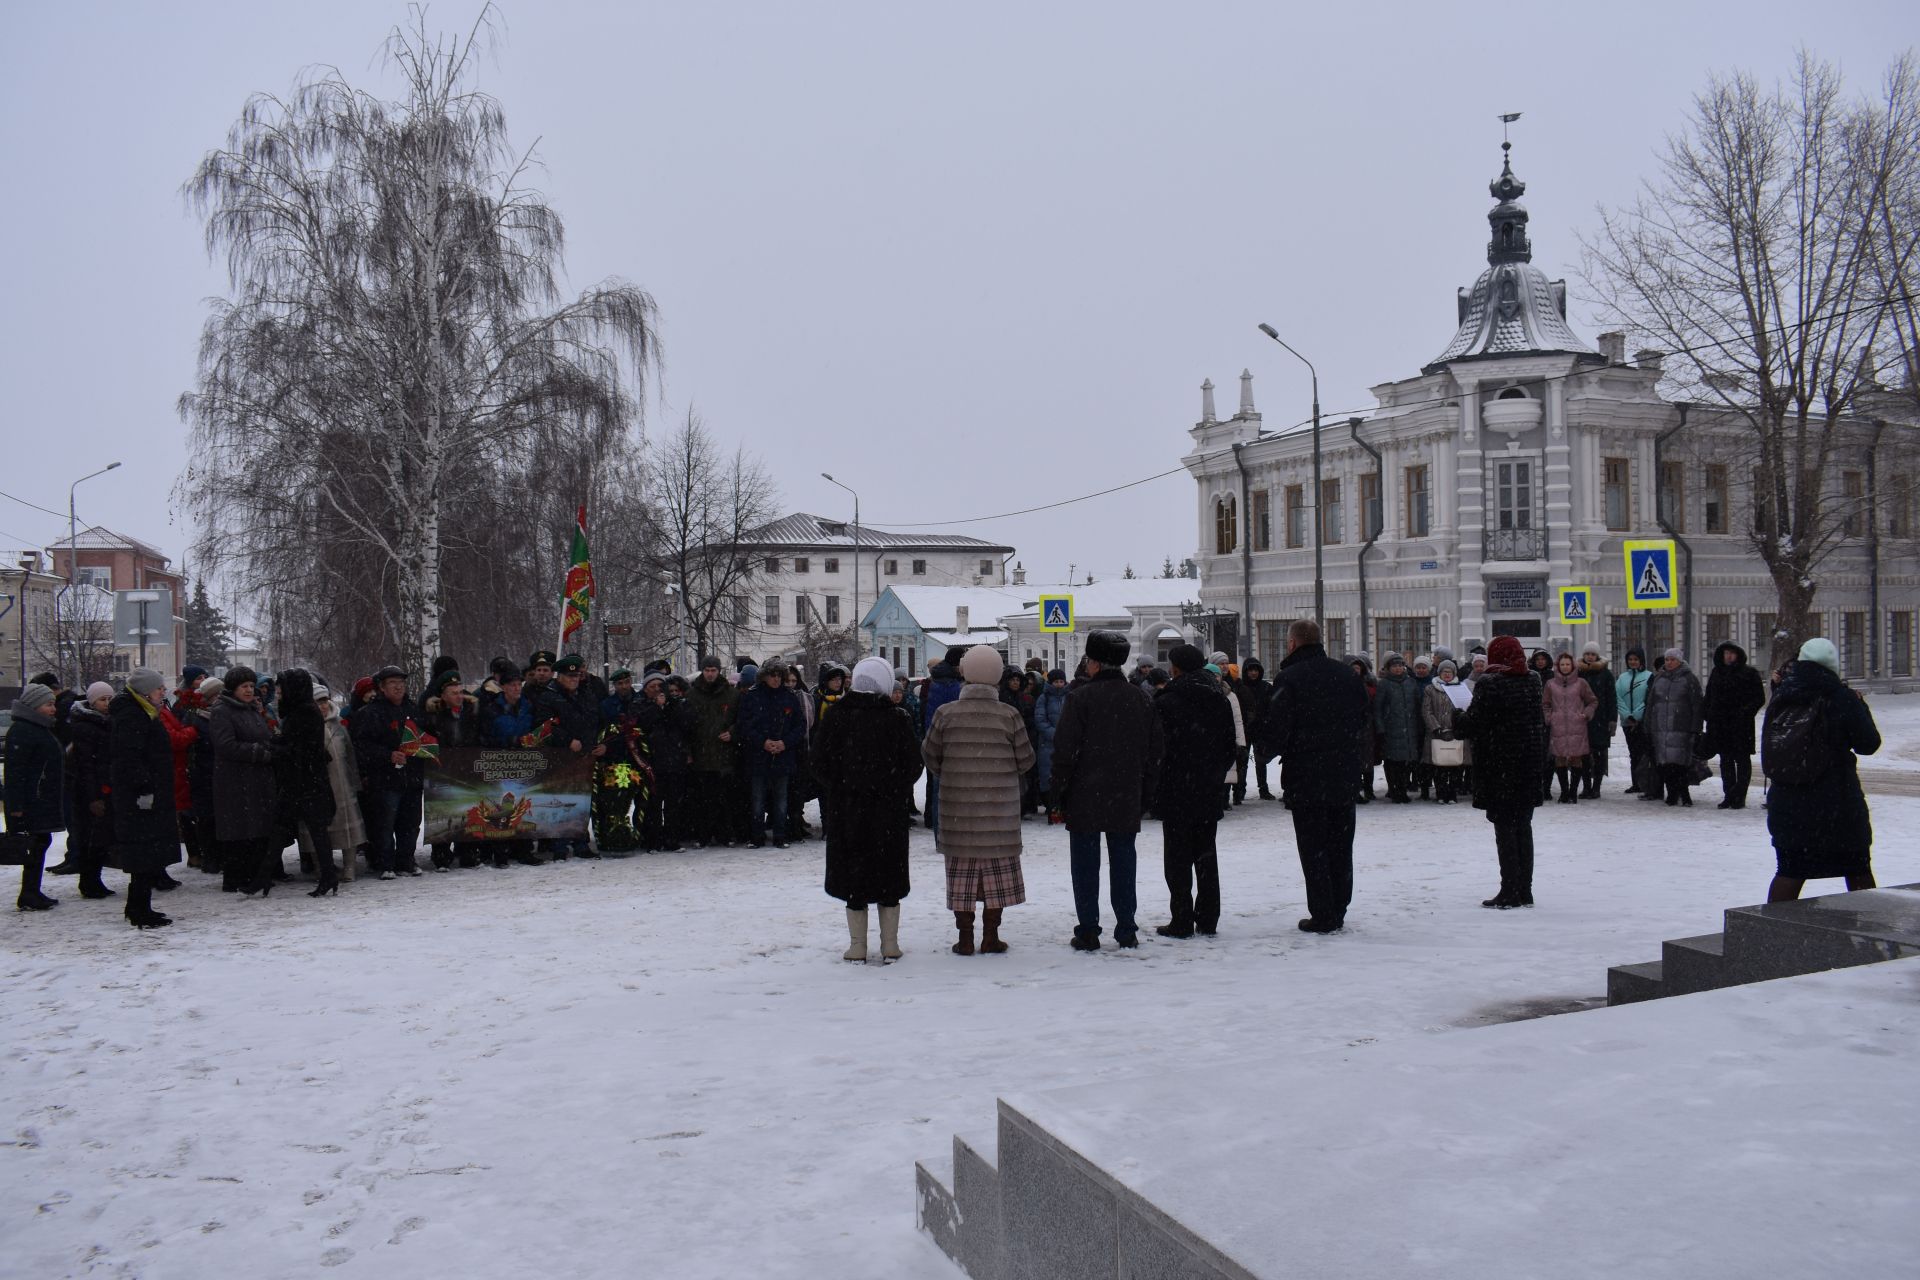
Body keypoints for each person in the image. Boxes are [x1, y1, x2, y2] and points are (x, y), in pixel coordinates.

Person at [1050, 630, 1164, 951]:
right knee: (1124, 861)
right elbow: (1155, 751)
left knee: (1085, 864)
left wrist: (1057, 793)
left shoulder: (1079, 698)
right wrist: (1146, 792)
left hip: (1084, 794)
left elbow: (1064, 751)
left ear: (1095, 663)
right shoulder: (1141, 698)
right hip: (1126, 792)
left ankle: (1088, 930)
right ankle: (1126, 928)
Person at [923, 644, 1034, 955]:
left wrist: (956, 774)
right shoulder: (1009, 715)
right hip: (999, 813)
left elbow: (931, 755)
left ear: (964, 674)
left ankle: (965, 938)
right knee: (996, 877)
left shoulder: (946, 714)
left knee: (962, 877)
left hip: (959, 812)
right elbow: (1026, 759)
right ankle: (991, 936)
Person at [1257, 621, 1368, 933]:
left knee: (1314, 848)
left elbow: (1277, 726)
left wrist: (1266, 750)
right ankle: (1339, 907)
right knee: (1341, 846)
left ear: (1292, 644)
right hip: (1344, 773)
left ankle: (1322, 912)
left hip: (1306, 776)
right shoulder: (1346, 674)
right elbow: (1362, 716)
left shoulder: (1289, 678)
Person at [812, 656, 924, 963]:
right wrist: (893, 785)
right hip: (888, 811)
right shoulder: (896, 718)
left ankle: (857, 945)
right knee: (889, 876)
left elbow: (819, 762)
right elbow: (914, 764)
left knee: (853, 878)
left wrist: (841, 785)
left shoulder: (836, 716)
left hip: (847, 811)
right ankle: (890, 944)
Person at [1762, 638, 1880, 902]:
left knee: (1790, 871)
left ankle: (1772, 933)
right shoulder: (1841, 696)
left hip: (1788, 803)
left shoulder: (1782, 694)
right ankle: (1871, 933)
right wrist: (1859, 704)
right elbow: (1868, 744)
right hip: (1836, 803)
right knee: (1857, 870)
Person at [1151, 645, 1237, 938]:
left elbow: (1157, 750)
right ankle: (1209, 916)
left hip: (1176, 789)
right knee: (1206, 855)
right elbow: (1229, 747)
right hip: (1207, 788)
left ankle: (1182, 919)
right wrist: (1213, 774)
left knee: (1176, 859)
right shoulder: (1218, 698)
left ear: (1175, 668)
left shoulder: (1167, 701)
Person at [1456, 637, 1549, 909]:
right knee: (1523, 827)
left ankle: (1508, 889)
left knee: (1505, 830)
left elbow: (1474, 723)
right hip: (1528, 766)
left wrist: (1457, 716)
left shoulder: (1490, 682)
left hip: (1499, 768)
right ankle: (1525, 889)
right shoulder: (1533, 680)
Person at [110, 669, 185, 927]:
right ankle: (139, 909)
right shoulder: (133, 716)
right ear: (145, 691)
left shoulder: (142, 712)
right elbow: (130, 758)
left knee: (147, 852)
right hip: (141, 799)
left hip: (148, 794)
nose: (163, 692)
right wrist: (144, 789)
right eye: (159, 688)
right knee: (143, 853)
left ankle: (138, 906)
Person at [209, 665, 282, 895]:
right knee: (238, 831)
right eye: (244, 686)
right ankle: (237, 878)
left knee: (257, 829)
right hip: (235, 781)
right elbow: (225, 745)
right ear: (233, 688)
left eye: (252, 686)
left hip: (256, 779)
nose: (250, 690)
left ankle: (255, 876)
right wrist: (260, 752)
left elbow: (263, 736)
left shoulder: (251, 709)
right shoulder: (222, 710)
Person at [351, 664, 428, 878]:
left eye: (401, 683)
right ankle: (384, 863)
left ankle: (406, 860)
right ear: (381, 688)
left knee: (410, 823)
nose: (398, 687)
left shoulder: (413, 710)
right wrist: (387, 755)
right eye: (392, 683)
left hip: (411, 777)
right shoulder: (370, 713)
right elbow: (361, 746)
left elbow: (424, 737)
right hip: (384, 779)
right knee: (384, 823)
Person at [272, 669, 338, 891]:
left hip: (304, 782)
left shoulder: (303, 713)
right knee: (303, 832)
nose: (278, 692)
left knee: (296, 831)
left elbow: (299, 750)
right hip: (306, 781)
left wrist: (276, 746)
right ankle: (328, 877)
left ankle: (328, 877)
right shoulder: (301, 711)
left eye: (282, 687)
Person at [4, 682, 65, 912]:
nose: (53, 709)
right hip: (32, 800)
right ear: (34, 705)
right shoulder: (23, 731)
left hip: (40, 798)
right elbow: (15, 772)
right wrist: (16, 806)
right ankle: (29, 893)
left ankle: (31, 890)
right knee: (34, 844)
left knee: (40, 842)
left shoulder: (38, 728)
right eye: (49, 704)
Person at [477, 664, 542, 867]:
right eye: (512, 685)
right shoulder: (491, 709)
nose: (516, 688)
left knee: (523, 806)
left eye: (518, 684)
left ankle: (524, 849)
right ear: (503, 687)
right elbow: (485, 737)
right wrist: (508, 743)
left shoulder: (528, 706)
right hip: (501, 764)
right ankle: (500, 851)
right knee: (501, 807)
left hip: (525, 764)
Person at [736, 662, 806, 849]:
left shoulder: (789, 697)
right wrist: (763, 742)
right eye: (772, 675)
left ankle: (780, 836)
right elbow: (745, 726)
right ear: (765, 676)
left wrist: (784, 743)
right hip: (759, 756)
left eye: (779, 675)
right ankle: (757, 836)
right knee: (757, 798)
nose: (776, 679)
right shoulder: (752, 696)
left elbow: (800, 726)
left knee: (781, 799)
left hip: (782, 756)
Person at [420, 669, 481, 868]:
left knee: (467, 809)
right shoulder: (434, 716)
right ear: (443, 696)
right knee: (444, 810)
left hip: (466, 769)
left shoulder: (471, 713)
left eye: (460, 692)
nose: (459, 697)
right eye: (454, 693)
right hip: (442, 771)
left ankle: (466, 850)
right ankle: (441, 853)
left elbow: (479, 736)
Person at [63, 682, 118, 899]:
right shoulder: (85, 726)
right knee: (91, 838)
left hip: (102, 785)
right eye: (102, 700)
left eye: (109, 699)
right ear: (92, 702)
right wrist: (93, 796)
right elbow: (85, 765)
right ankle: (89, 881)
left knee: (99, 838)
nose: (107, 704)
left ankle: (93, 879)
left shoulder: (106, 723)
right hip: (90, 790)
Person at [1703, 640, 1766, 809]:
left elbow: (1758, 698)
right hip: (1721, 725)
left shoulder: (1749, 673)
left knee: (1742, 760)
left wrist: (1744, 712)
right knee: (1726, 761)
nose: (1728, 656)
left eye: (1732, 653)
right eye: (1726, 653)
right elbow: (1709, 696)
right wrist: (1707, 714)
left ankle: (1739, 796)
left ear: (1738, 655)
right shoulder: (1717, 672)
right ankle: (1729, 794)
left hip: (1741, 726)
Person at [312, 685, 366, 885]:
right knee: (318, 828)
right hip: (318, 785)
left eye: (325, 701)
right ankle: (321, 866)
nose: (323, 706)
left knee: (347, 826)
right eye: (318, 702)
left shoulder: (339, 727)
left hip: (341, 784)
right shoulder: (306, 726)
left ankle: (349, 865)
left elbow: (350, 757)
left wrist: (355, 782)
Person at [685, 656, 739, 849]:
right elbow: (687, 726)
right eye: (707, 670)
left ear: (719, 671)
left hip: (724, 755)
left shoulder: (731, 694)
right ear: (702, 671)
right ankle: (703, 835)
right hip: (701, 755)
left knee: (724, 799)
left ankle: (726, 834)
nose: (710, 674)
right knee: (703, 799)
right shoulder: (692, 695)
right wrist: (689, 751)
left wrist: (732, 733)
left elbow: (740, 720)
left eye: (713, 670)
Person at [1645, 648, 1705, 806]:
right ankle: (1671, 793)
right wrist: (1648, 726)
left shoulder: (1689, 679)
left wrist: (1696, 728)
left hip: (1681, 728)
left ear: (1679, 661)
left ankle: (1684, 794)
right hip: (1661, 729)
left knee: (1680, 765)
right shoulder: (1659, 679)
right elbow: (1651, 704)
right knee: (1665, 764)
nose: (1669, 663)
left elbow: (1696, 705)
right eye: (1667, 660)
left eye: (1673, 659)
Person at [1542, 652, 1597, 804]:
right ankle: (1564, 792)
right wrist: (1549, 717)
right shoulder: (1550, 684)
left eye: (1567, 664)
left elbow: (1592, 701)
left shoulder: (1581, 683)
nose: (1565, 667)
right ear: (1557, 666)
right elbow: (1545, 703)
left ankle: (1573, 791)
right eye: (1562, 664)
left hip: (1577, 725)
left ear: (1572, 665)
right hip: (1558, 725)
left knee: (1576, 758)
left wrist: (1585, 714)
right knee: (1559, 758)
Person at [920, 648, 966, 829]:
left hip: (937, 738)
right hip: (946, 741)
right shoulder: (950, 684)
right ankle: (938, 825)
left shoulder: (940, 680)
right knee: (940, 786)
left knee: (936, 784)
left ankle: (934, 822)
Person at [184, 677, 223, 875]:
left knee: (218, 817)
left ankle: (218, 856)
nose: (219, 698)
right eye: (215, 695)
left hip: (217, 773)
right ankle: (210, 857)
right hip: (203, 774)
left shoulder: (221, 715)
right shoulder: (196, 718)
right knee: (206, 818)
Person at [1373, 653, 1423, 804]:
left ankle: (1402, 789)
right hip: (1391, 728)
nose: (1398, 668)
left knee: (1406, 762)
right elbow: (1378, 708)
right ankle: (1395, 790)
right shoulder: (1384, 684)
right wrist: (1380, 727)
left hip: (1409, 728)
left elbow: (1417, 705)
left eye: (1400, 665)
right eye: (1394, 666)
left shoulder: (1411, 683)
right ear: (1388, 668)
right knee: (1392, 762)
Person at [1423, 659, 1472, 803]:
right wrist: (1436, 728)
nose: (1447, 674)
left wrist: (1459, 726)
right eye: (1444, 672)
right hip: (1437, 733)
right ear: (1440, 673)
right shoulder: (1430, 689)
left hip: (1456, 733)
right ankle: (1440, 793)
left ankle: (1452, 793)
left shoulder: (1460, 688)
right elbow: (1427, 711)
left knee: (1455, 765)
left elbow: (1465, 708)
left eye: (1449, 672)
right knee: (1439, 765)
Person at [1575, 643, 1617, 799]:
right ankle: (1586, 787)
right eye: (1587, 654)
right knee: (1584, 756)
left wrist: (1612, 720)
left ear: (1597, 656)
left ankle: (1596, 787)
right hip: (1582, 719)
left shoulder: (1605, 674)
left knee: (1599, 755)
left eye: (1593, 654)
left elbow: (1612, 698)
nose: (1590, 657)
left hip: (1601, 719)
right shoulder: (1578, 673)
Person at [1615, 648, 1651, 794]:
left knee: (1643, 754)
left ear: (1641, 660)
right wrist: (1627, 715)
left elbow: (1648, 699)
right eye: (1630, 659)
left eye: (1636, 659)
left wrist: (1636, 715)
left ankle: (1645, 783)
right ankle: (1635, 783)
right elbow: (1617, 697)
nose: (1633, 662)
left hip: (1642, 722)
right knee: (1633, 754)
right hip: (1627, 723)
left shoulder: (1649, 676)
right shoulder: (1622, 678)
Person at [1238, 659, 1275, 800]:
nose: (1253, 673)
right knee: (1243, 762)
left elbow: (1271, 707)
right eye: (1250, 670)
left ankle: (1263, 789)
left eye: (1256, 670)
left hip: (1261, 730)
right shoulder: (1240, 688)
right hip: (1245, 730)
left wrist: (1266, 722)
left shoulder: (1265, 687)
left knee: (1261, 761)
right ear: (1245, 671)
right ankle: (1240, 790)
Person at [1348, 654, 1379, 803]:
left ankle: (1368, 788)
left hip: (1367, 726)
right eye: (1353, 668)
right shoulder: (1343, 684)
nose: (1356, 670)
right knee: (1354, 762)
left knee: (1368, 760)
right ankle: (1355, 790)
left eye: (1358, 668)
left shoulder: (1370, 684)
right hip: (1351, 727)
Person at [1527, 649, 1557, 800]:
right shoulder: (1529, 676)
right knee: (1534, 757)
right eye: (1537, 659)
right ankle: (1536, 786)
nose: (1540, 661)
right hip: (1532, 721)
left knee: (1549, 757)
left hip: (1549, 721)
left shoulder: (1553, 677)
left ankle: (1547, 787)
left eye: (1542, 659)